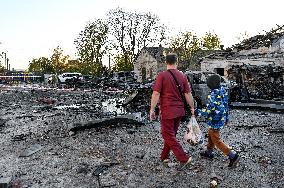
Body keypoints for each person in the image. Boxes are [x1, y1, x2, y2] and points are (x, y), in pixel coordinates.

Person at [149, 53, 195, 168]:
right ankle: (164, 156)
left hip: (167, 111)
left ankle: (183, 158)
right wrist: (192, 107)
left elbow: (156, 93)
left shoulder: (162, 76)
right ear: (177, 62)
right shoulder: (182, 76)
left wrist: (152, 109)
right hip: (179, 111)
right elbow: (188, 94)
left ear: (166, 62)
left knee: (167, 134)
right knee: (171, 134)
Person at [197, 74, 239, 167]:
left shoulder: (213, 94)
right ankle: (208, 152)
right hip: (221, 118)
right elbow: (226, 105)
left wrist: (198, 112)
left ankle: (233, 155)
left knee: (216, 139)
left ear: (210, 85)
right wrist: (227, 118)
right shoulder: (223, 90)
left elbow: (209, 110)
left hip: (215, 119)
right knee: (211, 133)